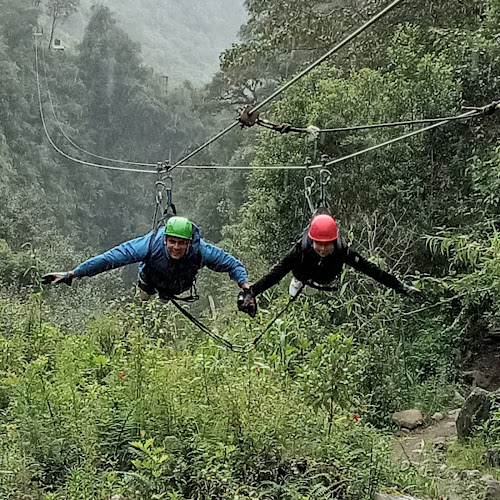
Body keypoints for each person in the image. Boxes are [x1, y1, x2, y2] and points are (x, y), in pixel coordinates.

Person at [42, 216, 257, 317]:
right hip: (150, 279)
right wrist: (74, 273)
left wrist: (246, 288)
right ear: (165, 240)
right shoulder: (149, 245)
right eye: (171, 241)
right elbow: (110, 259)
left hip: (176, 286)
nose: (175, 247)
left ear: (189, 242)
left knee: (164, 299)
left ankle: (163, 296)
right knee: (144, 298)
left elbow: (232, 264)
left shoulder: (201, 251)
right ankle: (148, 295)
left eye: (181, 243)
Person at [238, 213, 419, 306]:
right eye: (319, 244)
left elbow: (371, 270)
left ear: (334, 240)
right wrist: (252, 292)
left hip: (325, 280)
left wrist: (400, 287)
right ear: (312, 241)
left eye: (327, 244)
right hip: (302, 278)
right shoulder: (300, 251)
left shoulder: (342, 251)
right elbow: (276, 274)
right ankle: (298, 283)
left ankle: (305, 285)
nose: (323, 249)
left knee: (311, 289)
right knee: (298, 290)